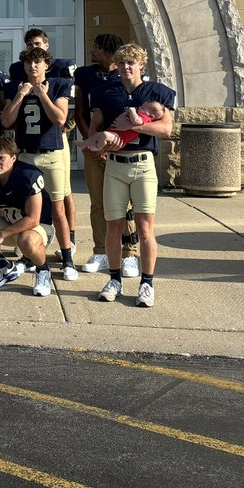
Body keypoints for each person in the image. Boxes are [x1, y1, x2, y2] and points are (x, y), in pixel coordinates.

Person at [88, 43, 176, 308]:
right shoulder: (106, 92)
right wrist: (97, 146)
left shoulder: (156, 92)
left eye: (132, 63)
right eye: (122, 62)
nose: (126, 67)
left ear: (141, 66)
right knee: (113, 226)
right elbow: (96, 128)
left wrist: (137, 125)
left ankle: (147, 283)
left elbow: (167, 129)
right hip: (115, 165)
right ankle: (114, 279)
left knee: (145, 227)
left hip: (143, 163)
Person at [0, 45, 77, 280]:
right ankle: (29, 256)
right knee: (29, 208)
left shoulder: (58, 85)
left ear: (46, 65)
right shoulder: (15, 87)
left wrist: (42, 93)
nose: (32, 67)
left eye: (37, 62)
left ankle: (67, 259)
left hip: (51, 153)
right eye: (28, 63)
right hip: (25, 154)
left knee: (57, 208)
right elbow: (6, 121)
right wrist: (22, 95)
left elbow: (60, 118)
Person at [73, 32, 138, 274]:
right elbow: (79, 113)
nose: (91, 51)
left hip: (122, 148)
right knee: (98, 202)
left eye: (95, 47)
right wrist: (91, 143)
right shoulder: (85, 75)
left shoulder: (126, 76)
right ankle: (100, 251)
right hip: (94, 147)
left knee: (125, 203)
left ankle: (129, 253)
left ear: (107, 50)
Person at [0, 136, 56, 297]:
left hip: (38, 229)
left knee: (26, 241)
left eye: (1, 158)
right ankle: (3, 266)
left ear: (13, 158)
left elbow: (33, 219)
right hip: (9, 223)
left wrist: (2, 234)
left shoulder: (28, 175)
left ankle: (43, 271)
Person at [78, 100, 167, 155]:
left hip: (120, 138)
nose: (140, 107)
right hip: (115, 133)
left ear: (151, 116)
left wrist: (132, 111)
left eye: (143, 107)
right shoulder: (141, 115)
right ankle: (84, 144)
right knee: (97, 135)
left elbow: (136, 121)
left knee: (104, 135)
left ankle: (98, 148)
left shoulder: (145, 118)